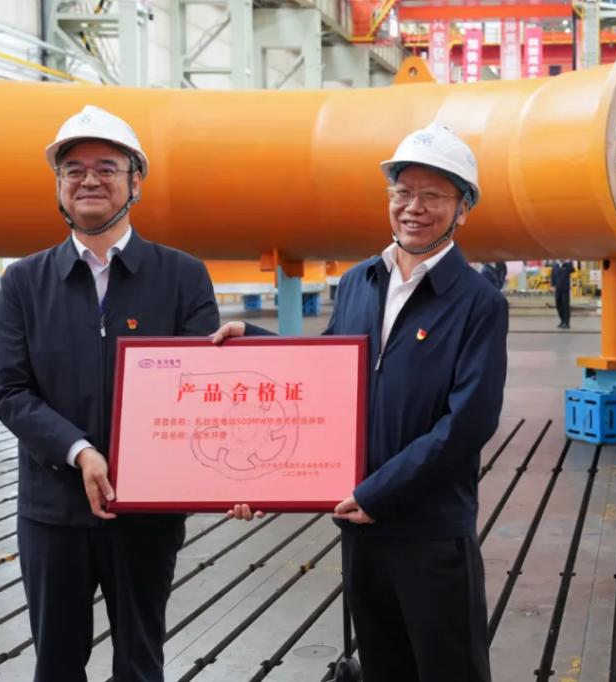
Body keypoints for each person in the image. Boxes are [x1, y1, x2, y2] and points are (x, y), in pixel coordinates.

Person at [215, 123, 508, 682]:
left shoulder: (479, 303)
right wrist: (253, 343)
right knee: (383, 667)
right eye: (403, 192)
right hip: (360, 526)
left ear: (463, 209)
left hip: (429, 529)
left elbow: (468, 423)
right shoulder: (358, 283)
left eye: (433, 195)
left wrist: (381, 492)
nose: (414, 208)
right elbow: (324, 378)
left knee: (450, 670)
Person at [0, 105, 219, 682]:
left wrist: (231, 480)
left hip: (147, 510)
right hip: (53, 507)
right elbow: (8, 388)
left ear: (135, 181)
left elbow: (205, 387)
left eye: (107, 168)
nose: (89, 180)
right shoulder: (24, 282)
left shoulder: (182, 276)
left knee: (140, 661)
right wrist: (79, 451)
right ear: (59, 185)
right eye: (74, 169)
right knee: (57, 662)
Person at [551, 259, 574, 328]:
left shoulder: (568, 265)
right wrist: (552, 285)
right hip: (557, 289)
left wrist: (569, 261)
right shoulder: (555, 266)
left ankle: (566, 323)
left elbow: (573, 269)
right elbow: (552, 276)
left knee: (565, 306)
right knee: (558, 305)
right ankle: (562, 320)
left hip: (565, 289)